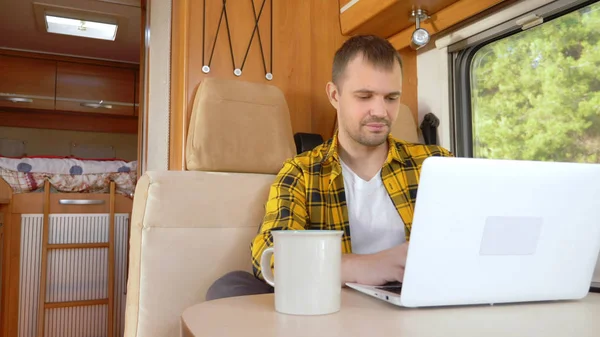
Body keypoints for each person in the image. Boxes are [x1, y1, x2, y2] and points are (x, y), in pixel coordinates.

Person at [205, 34, 453, 301]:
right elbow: (271, 256)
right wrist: (364, 266)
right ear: (335, 95)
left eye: (391, 98)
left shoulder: (436, 165)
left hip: (421, 303)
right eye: (365, 96)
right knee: (230, 287)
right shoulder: (301, 172)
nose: (380, 111)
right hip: (330, 308)